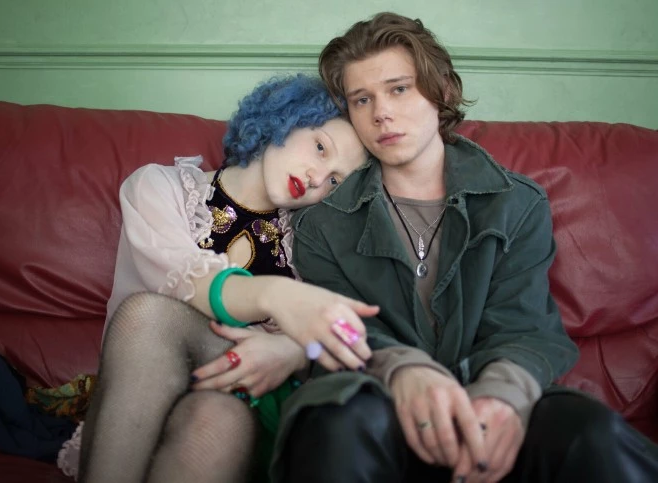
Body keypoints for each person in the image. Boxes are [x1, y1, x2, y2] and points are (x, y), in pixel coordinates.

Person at [272, 12, 658, 483]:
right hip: (380, 406)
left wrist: (500, 399)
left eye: (399, 89)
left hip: (494, 402)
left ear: (440, 90)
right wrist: (406, 372)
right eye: (362, 99)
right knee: (335, 424)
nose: (381, 113)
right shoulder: (323, 223)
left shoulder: (517, 204)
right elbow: (341, 326)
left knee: (590, 432)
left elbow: (524, 325)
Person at [58, 74, 377, 483]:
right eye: (320, 147)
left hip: (255, 399)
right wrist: (275, 295)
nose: (318, 177)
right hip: (146, 394)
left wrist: (294, 350)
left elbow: (345, 335)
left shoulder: (309, 244)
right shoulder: (158, 188)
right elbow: (189, 285)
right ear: (286, 118)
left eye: (335, 181)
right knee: (151, 317)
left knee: (220, 416)